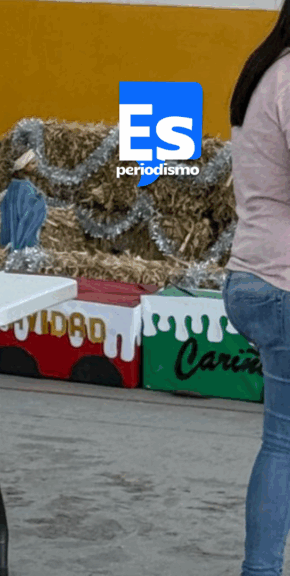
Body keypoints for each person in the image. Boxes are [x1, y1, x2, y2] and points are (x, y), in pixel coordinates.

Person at [227, 8, 290, 574]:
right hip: (283, 283)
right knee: (284, 445)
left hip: (253, 275)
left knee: (283, 443)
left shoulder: (264, 70)